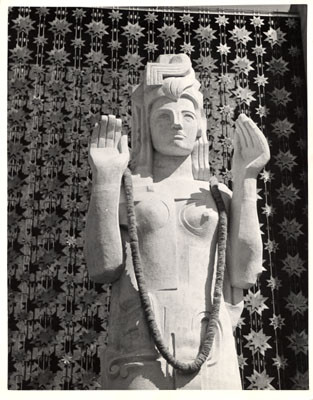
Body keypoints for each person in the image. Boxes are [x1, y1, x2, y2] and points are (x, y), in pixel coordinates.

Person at [84, 54, 270, 390]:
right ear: (145, 126)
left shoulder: (217, 195)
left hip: (208, 343)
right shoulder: (130, 190)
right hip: (139, 347)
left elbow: (245, 271)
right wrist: (106, 180)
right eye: (164, 116)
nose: (177, 124)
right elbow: (103, 266)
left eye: (187, 115)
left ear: (200, 123)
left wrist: (247, 178)